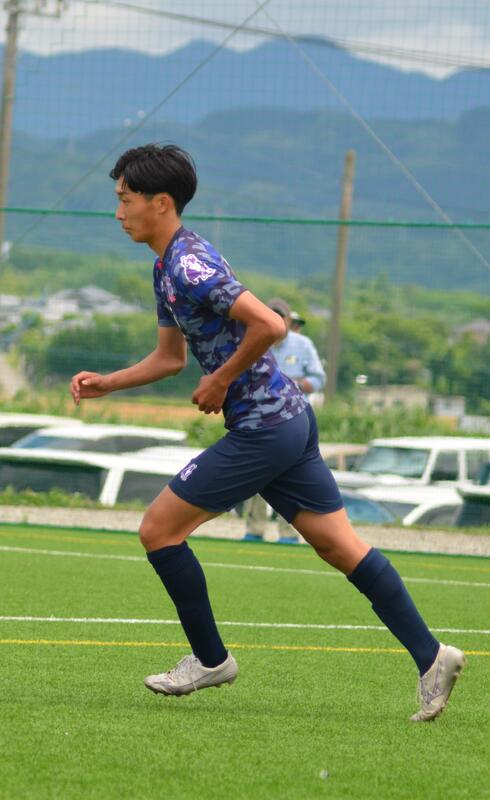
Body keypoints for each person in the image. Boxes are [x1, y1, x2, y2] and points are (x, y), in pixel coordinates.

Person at [70, 143, 465, 722]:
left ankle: (210, 660)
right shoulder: (165, 266)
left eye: (126, 199)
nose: (118, 212)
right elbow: (170, 359)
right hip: (287, 422)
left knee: (158, 530)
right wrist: (108, 382)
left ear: (161, 202)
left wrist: (222, 379)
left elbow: (270, 324)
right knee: (340, 546)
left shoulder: (189, 265)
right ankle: (433, 657)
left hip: (263, 428)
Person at [243, 297, 325, 544]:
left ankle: (289, 533)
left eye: (281, 316)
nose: (277, 320)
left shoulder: (303, 344)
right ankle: (254, 529)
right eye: (272, 314)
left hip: (294, 419)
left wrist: (291, 384)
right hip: (260, 418)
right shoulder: (253, 340)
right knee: (255, 474)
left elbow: (318, 379)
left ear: (289, 320)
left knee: (291, 476)